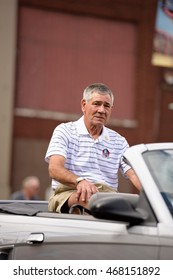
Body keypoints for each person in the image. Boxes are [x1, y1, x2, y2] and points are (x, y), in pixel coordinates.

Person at [45, 83, 141, 213]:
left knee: (139, 204)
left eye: (106, 106)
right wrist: (79, 181)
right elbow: (54, 169)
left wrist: (158, 197)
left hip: (108, 196)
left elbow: (134, 174)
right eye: (97, 103)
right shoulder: (65, 131)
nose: (101, 110)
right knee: (88, 198)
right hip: (70, 193)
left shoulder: (119, 141)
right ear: (84, 105)